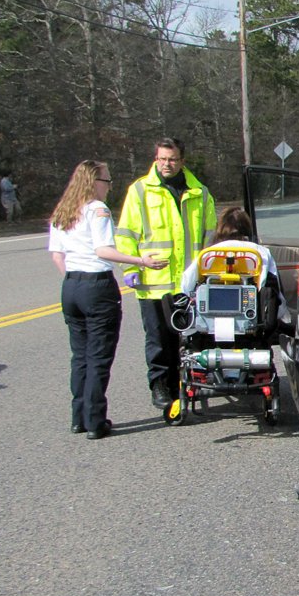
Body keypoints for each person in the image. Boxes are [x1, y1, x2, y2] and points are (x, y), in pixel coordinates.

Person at [48, 161, 168, 439]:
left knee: (80, 356)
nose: (109, 186)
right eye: (107, 180)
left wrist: (75, 279)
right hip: (97, 286)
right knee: (99, 357)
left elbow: (57, 254)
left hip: (72, 286)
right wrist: (141, 261)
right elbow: (103, 250)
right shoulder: (97, 210)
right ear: (94, 182)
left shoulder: (63, 211)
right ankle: (96, 420)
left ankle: (79, 417)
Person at [115, 138, 217, 408]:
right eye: (161, 159)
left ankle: (191, 383)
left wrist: (207, 274)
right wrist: (130, 267)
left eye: (172, 159)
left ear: (182, 161)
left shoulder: (200, 193)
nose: (166, 164)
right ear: (155, 159)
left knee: (192, 338)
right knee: (159, 340)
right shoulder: (140, 191)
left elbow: (210, 238)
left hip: (189, 284)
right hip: (154, 282)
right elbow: (126, 234)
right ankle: (161, 387)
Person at [179, 206, 286, 325]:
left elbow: (186, 285)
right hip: (252, 316)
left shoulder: (208, 254)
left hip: (210, 319)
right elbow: (274, 289)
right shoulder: (260, 253)